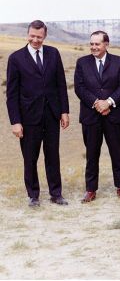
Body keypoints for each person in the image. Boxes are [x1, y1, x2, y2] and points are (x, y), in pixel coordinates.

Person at [6, 20, 70, 207]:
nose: (35, 40)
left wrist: (64, 111)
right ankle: (33, 195)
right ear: (27, 34)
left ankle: (56, 194)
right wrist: (15, 121)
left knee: (53, 155)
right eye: (32, 36)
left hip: (51, 115)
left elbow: (61, 85)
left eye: (39, 37)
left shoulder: (53, 53)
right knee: (30, 157)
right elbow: (11, 94)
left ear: (45, 36)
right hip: (28, 118)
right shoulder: (16, 58)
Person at [74, 31, 120, 203]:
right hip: (90, 117)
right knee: (92, 154)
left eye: (97, 44)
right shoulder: (82, 63)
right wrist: (96, 103)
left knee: (117, 153)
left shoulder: (118, 61)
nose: (93, 47)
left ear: (106, 44)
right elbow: (79, 88)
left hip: (113, 116)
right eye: (91, 44)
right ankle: (91, 189)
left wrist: (108, 102)